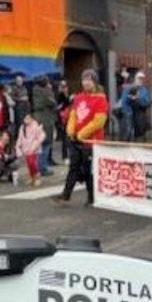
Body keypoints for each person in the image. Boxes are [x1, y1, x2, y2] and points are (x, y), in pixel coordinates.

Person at [53, 69, 108, 206]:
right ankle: (66, 195)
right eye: (84, 80)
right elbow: (73, 115)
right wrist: (70, 130)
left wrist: (82, 134)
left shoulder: (101, 99)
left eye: (89, 80)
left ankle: (91, 197)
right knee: (74, 167)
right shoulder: (79, 97)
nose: (86, 83)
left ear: (94, 82)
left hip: (91, 141)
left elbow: (98, 122)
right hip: (76, 140)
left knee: (88, 169)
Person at [31, 76, 57, 176]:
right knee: (46, 143)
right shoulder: (46, 92)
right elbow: (53, 103)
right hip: (46, 119)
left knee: (38, 144)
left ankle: (36, 166)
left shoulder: (35, 91)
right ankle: (42, 168)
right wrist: (50, 91)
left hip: (37, 118)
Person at [118, 72, 150, 141]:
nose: (140, 80)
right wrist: (128, 112)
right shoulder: (128, 88)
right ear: (135, 79)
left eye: (142, 79)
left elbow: (147, 102)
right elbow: (124, 102)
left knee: (139, 134)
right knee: (128, 133)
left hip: (140, 115)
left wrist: (138, 99)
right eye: (139, 78)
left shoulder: (144, 90)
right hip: (129, 114)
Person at [15, 113, 45, 186]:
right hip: (26, 148)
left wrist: (36, 144)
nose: (26, 120)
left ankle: (37, 176)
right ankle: (32, 177)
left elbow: (41, 136)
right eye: (25, 118)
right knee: (29, 164)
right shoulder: (22, 128)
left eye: (28, 118)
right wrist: (18, 146)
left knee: (32, 163)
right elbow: (20, 137)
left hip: (33, 148)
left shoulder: (35, 126)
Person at [10, 74, 30, 142]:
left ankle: (25, 139)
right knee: (20, 125)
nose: (19, 82)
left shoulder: (24, 88)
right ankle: (19, 140)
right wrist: (20, 99)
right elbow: (12, 97)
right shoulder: (14, 88)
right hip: (18, 108)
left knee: (26, 124)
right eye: (18, 80)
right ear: (16, 81)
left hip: (25, 108)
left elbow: (27, 96)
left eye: (20, 80)